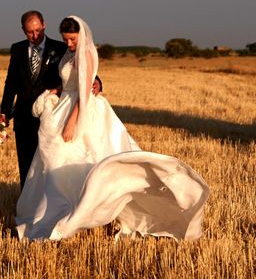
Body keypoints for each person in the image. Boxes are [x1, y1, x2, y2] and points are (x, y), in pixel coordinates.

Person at [15, 16, 209, 240]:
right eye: (66, 39)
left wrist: (72, 123)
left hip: (82, 111)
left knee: (86, 158)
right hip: (65, 105)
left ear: (82, 35)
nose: (69, 44)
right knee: (56, 163)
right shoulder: (69, 53)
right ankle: (66, 209)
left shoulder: (86, 53)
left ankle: (84, 211)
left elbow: (85, 90)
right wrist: (56, 91)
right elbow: (69, 81)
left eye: (72, 39)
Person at [0, 11, 101, 190]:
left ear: (44, 25)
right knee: (26, 166)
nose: (35, 35)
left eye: (38, 30)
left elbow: (85, 73)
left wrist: (98, 82)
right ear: (23, 30)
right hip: (24, 117)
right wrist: (4, 112)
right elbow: (11, 83)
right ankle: (28, 207)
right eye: (30, 32)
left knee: (50, 164)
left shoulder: (62, 46)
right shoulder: (17, 49)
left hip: (54, 116)